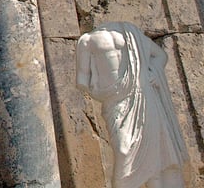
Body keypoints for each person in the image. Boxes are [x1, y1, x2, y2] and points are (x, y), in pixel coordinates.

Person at [76, 22, 188, 188]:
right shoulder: (87, 41)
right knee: (123, 150)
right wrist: (104, 94)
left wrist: (153, 73)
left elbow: (160, 55)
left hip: (142, 95)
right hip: (114, 102)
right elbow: (82, 80)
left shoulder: (131, 33)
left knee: (154, 151)